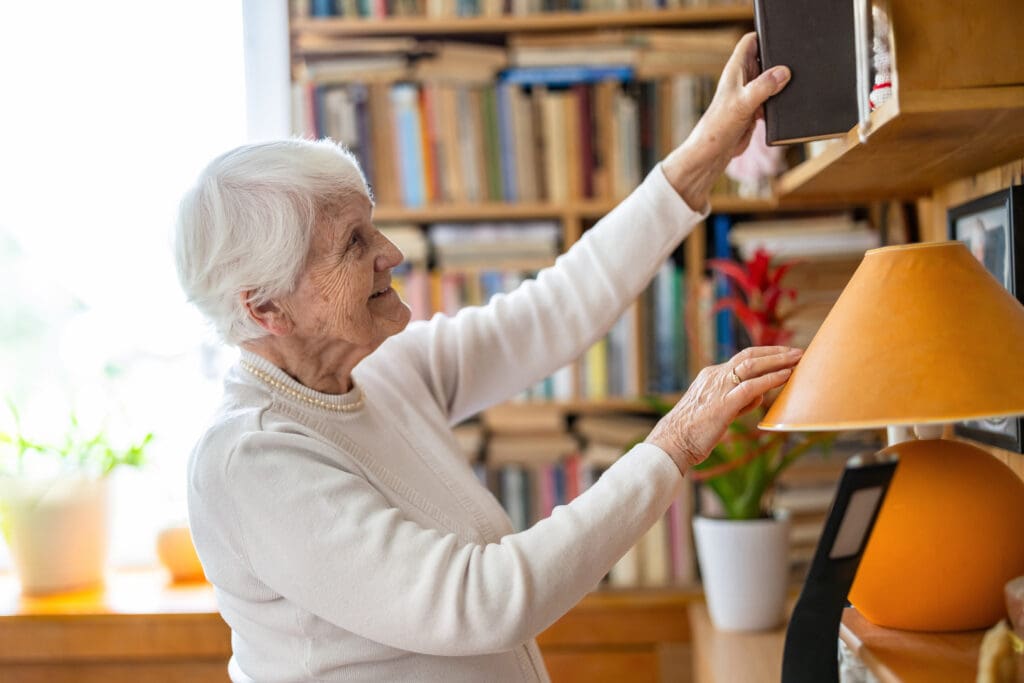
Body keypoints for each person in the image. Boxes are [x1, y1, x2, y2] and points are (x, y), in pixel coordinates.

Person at [175, 33, 797, 683]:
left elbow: (555, 309)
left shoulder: (380, 369)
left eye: (373, 223)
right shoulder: (251, 460)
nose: (392, 251)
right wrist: (673, 443)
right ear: (267, 308)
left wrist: (708, 149)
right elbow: (480, 602)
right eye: (354, 242)